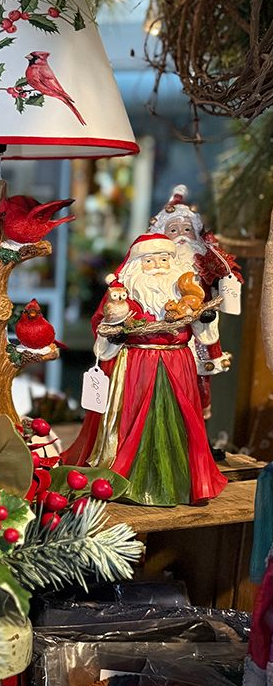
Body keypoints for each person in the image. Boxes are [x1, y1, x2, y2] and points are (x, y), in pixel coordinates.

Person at [64, 233, 227, 506]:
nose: (159, 265)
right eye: (150, 260)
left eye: (164, 259)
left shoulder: (188, 292)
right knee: (131, 415)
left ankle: (179, 478)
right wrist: (112, 335)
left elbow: (204, 332)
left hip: (177, 362)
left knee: (179, 417)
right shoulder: (123, 295)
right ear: (137, 264)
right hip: (136, 365)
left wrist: (203, 320)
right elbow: (103, 325)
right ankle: (126, 474)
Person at [148, 185, 241, 418]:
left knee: (200, 381)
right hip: (164, 334)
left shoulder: (204, 260)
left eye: (187, 229)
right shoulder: (153, 265)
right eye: (173, 229)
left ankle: (198, 430)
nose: (181, 235)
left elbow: (225, 274)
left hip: (200, 329)